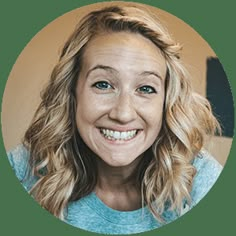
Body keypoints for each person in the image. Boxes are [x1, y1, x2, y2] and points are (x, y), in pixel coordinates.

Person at [7, 3, 223, 234]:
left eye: (146, 88)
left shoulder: (203, 182)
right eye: (103, 84)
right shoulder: (23, 171)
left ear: (166, 103)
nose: (123, 113)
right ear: (72, 92)